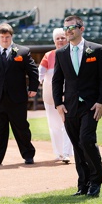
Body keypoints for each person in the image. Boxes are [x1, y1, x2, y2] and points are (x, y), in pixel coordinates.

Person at [52, 15, 102, 197]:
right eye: (66, 28)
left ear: (81, 29)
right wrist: (58, 104)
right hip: (69, 107)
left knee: (86, 140)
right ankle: (82, 184)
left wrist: (101, 102)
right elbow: (57, 81)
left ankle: (96, 181)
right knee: (77, 146)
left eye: (72, 27)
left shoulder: (97, 50)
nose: (68, 31)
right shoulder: (60, 53)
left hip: (91, 106)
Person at [0, 23, 39, 165]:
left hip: (17, 99)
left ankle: (28, 155)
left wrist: (33, 87)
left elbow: (33, 71)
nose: (5, 39)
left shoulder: (23, 51)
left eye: (7, 37)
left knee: (21, 128)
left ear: (11, 36)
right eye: (2, 37)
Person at [38, 28, 73, 163]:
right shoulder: (48, 55)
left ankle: (66, 153)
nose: (60, 40)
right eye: (58, 38)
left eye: (63, 37)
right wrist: (37, 84)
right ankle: (58, 153)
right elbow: (40, 73)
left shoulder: (72, 52)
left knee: (67, 123)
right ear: (54, 41)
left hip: (68, 95)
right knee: (54, 126)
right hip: (50, 95)